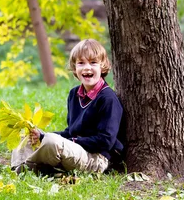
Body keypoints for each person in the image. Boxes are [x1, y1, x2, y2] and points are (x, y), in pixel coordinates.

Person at [11, 39, 125, 175]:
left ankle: (27, 170)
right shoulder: (74, 94)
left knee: (52, 143)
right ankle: (19, 168)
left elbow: (106, 141)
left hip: (96, 158)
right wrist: (42, 135)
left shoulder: (108, 99)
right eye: (81, 63)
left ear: (102, 66)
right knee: (27, 134)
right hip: (74, 150)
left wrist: (69, 141)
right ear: (75, 68)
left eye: (93, 62)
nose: (87, 67)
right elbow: (70, 132)